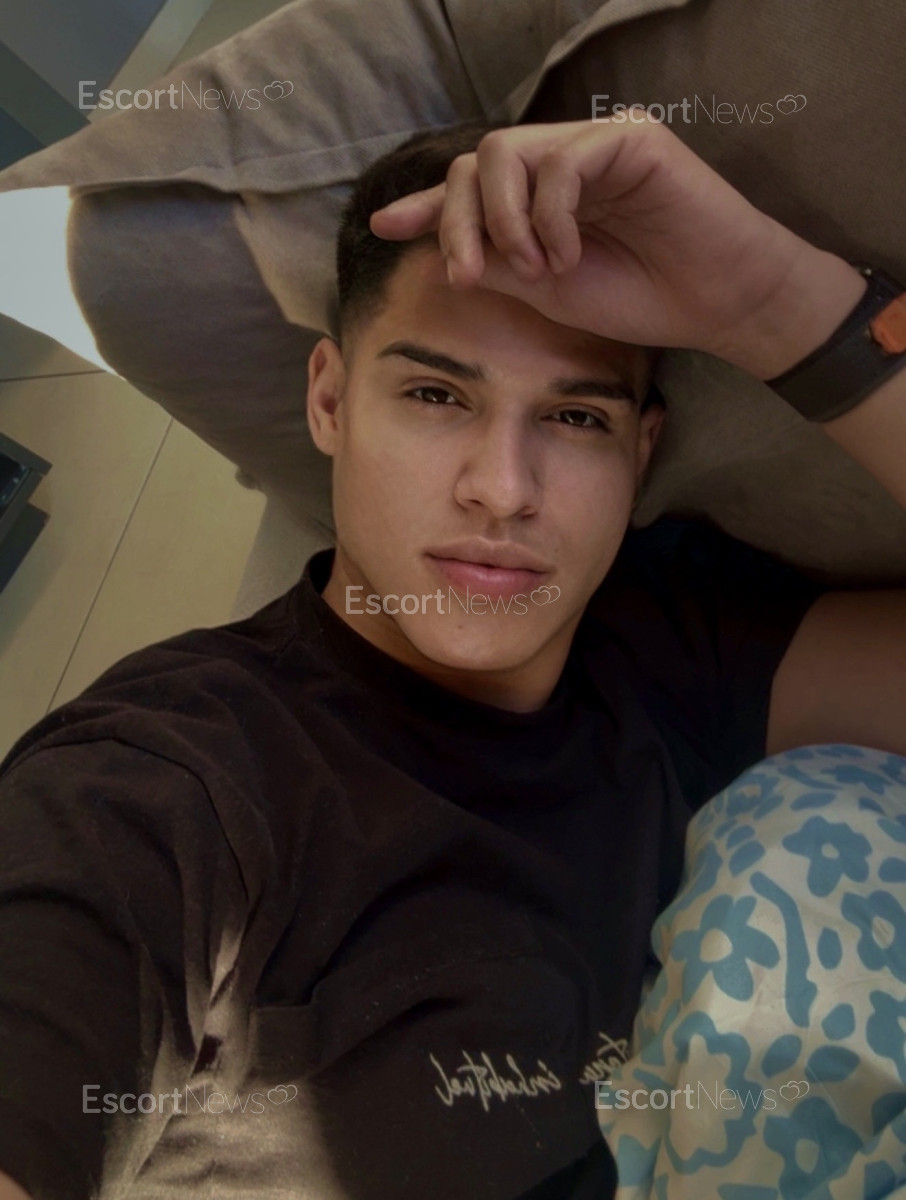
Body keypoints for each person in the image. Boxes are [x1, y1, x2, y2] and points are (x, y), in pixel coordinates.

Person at [0, 115, 904, 1200]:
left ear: (642, 451)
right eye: (436, 395)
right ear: (329, 400)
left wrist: (780, 305)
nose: (504, 489)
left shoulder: (663, 639)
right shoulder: (160, 789)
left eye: (577, 416)